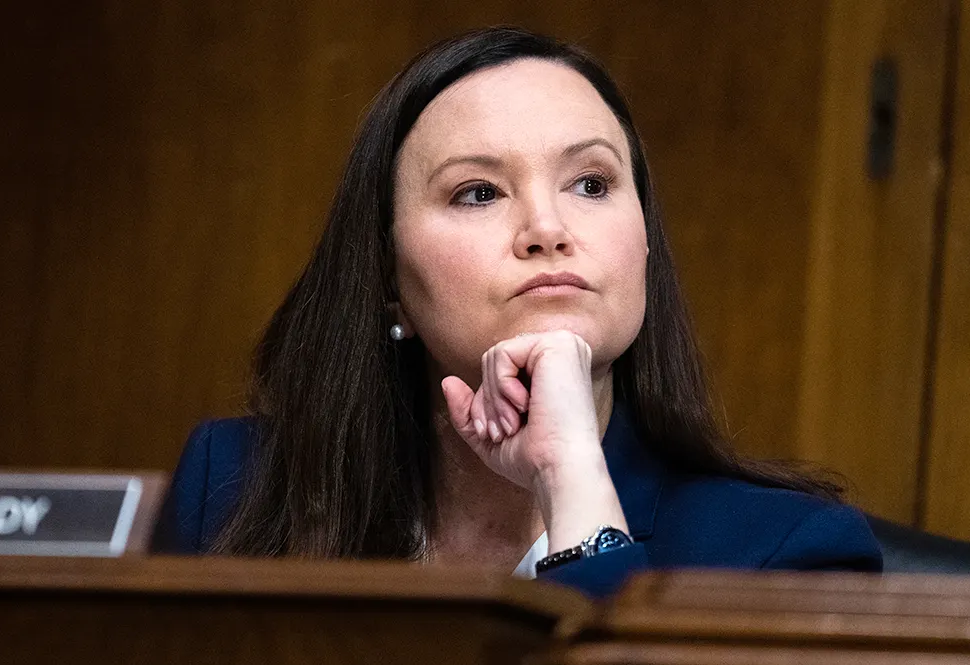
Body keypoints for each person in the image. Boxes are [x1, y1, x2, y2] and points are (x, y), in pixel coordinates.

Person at [153, 26, 882, 598]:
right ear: (386, 274)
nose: (547, 228)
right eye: (478, 193)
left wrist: (571, 480)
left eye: (591, 184)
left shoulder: (785, 554)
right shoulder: (232, 490)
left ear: (644, 244)